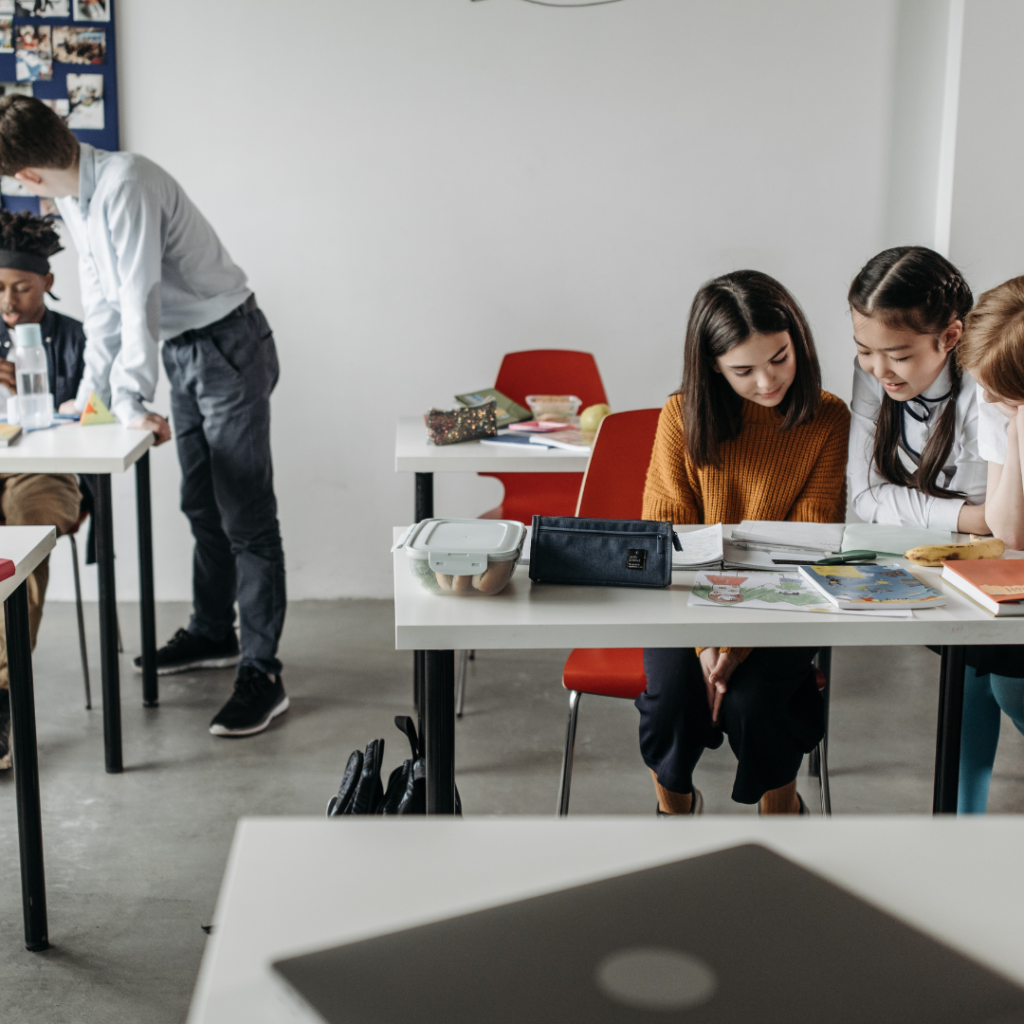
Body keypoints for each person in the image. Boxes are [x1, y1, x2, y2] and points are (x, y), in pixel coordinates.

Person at [0, 95, 288, 738]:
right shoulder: (79, 198)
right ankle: (215, 633)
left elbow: (140, 299)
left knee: (246, 516)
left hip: (225, 345)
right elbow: (102, 304)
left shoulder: (126, 184)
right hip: (188, 351)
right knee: (200, 504)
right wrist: (93, 396)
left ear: (27, 177)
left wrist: (127, 398)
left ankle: (263, 673)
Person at [638, 270, 850, 815]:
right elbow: (669, 542)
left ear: (796, 340)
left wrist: (735, 647)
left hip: (786, 599)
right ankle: (673, 805)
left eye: (779, 358)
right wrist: (708, 643)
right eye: (743, 370)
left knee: (757, 705)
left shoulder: (827, 419)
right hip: (683, 603)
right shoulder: (680, 418)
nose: (766, 381)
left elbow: (807, 543)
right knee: (674, 707)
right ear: (712, 365)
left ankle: (781, 808)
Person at [0, 209, 84, 770]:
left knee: (22, 545)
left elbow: (94, 415)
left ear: (47, 283)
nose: (8, 301)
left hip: (46, 469)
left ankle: (3, 694)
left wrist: (46, 399)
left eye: (21, 287)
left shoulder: (76, 337)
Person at [847, 246, 987, 533]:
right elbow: (865, 496)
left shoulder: (982, 388)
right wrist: (966, 517)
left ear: (949, 337)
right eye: (864, 350)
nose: (880, 371)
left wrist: (970, 518)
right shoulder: (870, 372)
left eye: (900, 357)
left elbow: (980, 512)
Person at [953, 276, 1024, 813]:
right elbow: (1010, 529)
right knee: (977, 672)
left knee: (1010, 688)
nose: (986, 398)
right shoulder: (996, 397)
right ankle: (960, 825)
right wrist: (1016, 427)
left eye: (1002, 394)